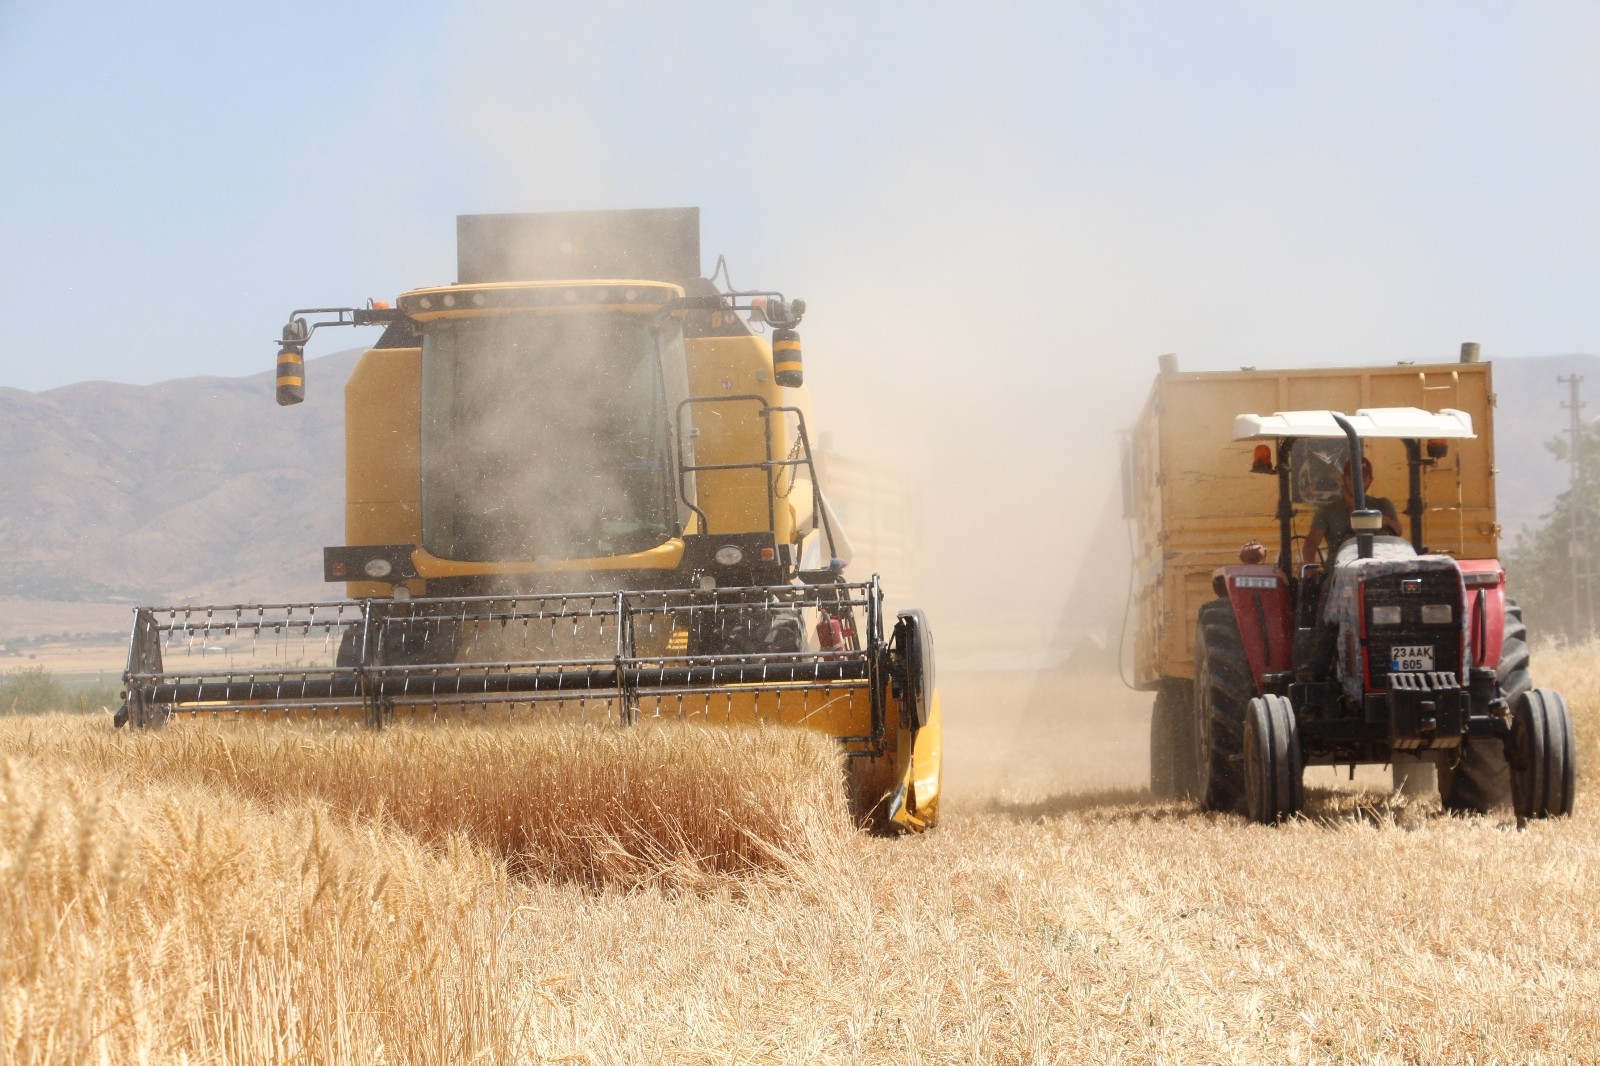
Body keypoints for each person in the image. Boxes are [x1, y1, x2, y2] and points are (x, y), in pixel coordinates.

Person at [1301, 456, 1402, 564]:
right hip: (1339, 572)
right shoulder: (1327, 512)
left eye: (1363, 477)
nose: (1357, 482)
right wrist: (1310, 569)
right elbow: (1311, 543)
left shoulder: (1382, 505)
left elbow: (1398, 531)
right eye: (1352, 477)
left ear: (1370, 480)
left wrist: (1385, 521)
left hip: (1376, 569)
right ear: (1343, 478)